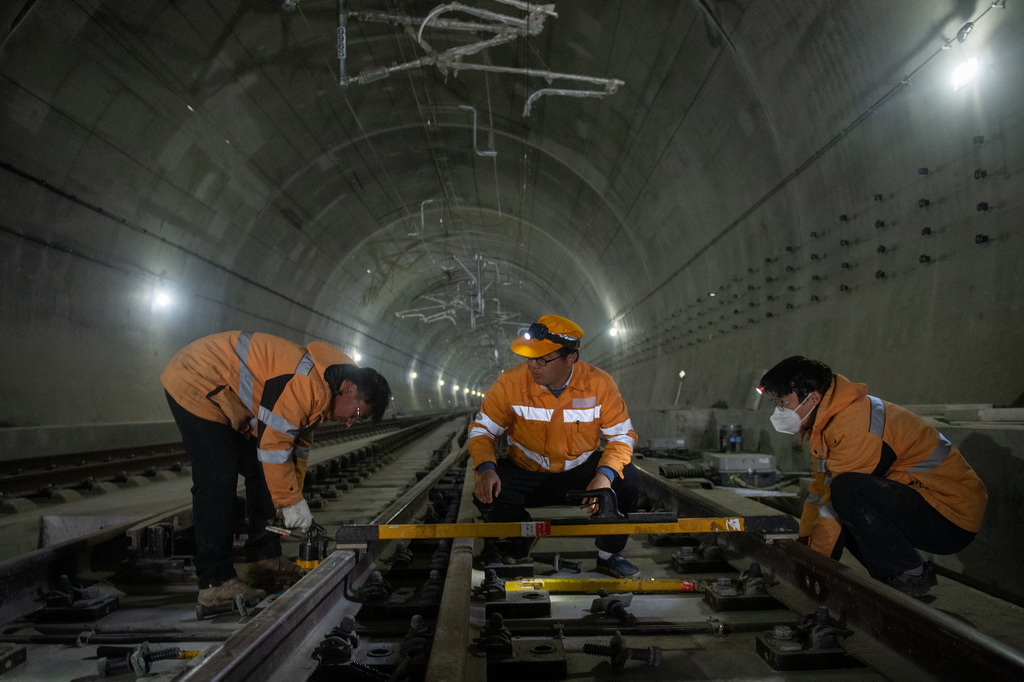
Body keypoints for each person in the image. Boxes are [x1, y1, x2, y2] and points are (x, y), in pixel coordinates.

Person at [161, 331, 391, 606]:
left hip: (224, 392)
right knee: (218, 477)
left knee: (263, 473)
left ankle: (263, 561)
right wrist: (289, 501)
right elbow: (273, 447)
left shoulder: (324, 392)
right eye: (356, 414)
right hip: (197, 378)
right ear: (351, 389)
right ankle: (215, 581)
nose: (350, 423)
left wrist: (293, 499)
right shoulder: (307, 384)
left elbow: (296, 452)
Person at [759, 356, 987, 597]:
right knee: (841, 495)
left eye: (783, 402)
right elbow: (819, 493)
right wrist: (805, 545)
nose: (779, 411)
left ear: (813, 398)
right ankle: (894, 580)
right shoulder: (825, 425)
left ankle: (908, 575)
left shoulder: (854, 426)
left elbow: (832, 505)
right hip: (924, 504)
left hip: (951, 517)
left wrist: (814, 564)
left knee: (847, 491)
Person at [468, 315, 644, 577]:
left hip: (580, 477)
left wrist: (603, 476)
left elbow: (622, 436)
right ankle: (520, 537)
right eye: (530, 358)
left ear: (570, 358)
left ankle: (609, 555)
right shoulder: (510, 382)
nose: (533, 366)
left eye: (543, 360)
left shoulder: (599, 384)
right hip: (527, 474)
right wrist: (485, 468)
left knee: (628, 480)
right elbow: (482, 430)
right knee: (485, 491)